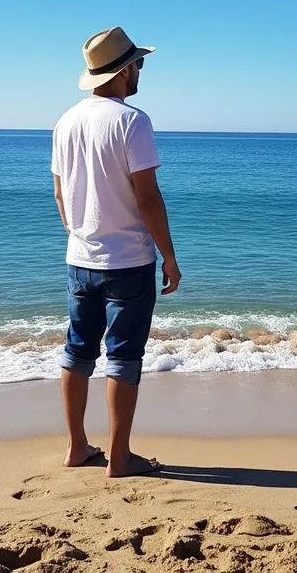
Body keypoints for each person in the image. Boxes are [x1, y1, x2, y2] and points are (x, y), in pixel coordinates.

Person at [51, 26, 181, 477]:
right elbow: (147, 196)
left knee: (77, 351)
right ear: (125, 70)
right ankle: (120, 457)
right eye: (139, 64)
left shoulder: (65, 120)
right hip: (127, 260)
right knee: (124, 355)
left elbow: (59, 189)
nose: (141, 71)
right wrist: (169, 255)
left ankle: (76, 447)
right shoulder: (132, 121)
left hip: (79, 259)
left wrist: (79, 229)